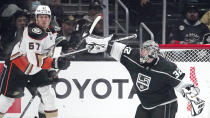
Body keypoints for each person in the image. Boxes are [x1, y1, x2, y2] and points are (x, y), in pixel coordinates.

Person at [85, 36, 205, 117]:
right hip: (146, 104)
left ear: (155, 55)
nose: (144, 58)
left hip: (165, 104)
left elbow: (183, 84)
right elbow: (117, 48)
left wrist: (193, 97)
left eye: (149, 56)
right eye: (143, 53)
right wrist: (101, 45)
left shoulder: (166, 67)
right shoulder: (134, 56)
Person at [0, 5, 70, 118]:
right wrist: (54, 63)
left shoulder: (51, 30)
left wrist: (60, 44)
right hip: (18, 66)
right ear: (36, 18)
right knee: (7, 100)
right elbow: (34, 58)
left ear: (50, 18)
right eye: (41, 17)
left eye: (46, 17)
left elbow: (50, 49)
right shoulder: (32, 32)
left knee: (48, 95)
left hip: (37, 68)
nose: (44, 19)